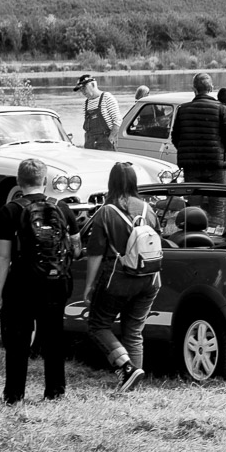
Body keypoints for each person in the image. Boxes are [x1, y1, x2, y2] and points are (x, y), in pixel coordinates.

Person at [0, 159, 77, 403]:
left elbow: (3, 255)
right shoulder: (62, 207)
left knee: (18, 339)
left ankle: (14, 395)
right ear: (45, 181)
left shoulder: (10, 211)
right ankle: (55, 392)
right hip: (56, 283)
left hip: (22, 283)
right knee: (53, 337)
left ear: (19, 181)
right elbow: (77, 246)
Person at [80, 162, 158, 393]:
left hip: (118, 279)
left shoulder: (106, 211)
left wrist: (89, 286)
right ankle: (134, 385)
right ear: (134, 182)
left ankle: (126, 368)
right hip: (150, 280)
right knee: (133, 331)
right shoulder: (148, 209)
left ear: (111, 183)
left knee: (98, 325)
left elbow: (95, 253)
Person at [171, 73, 226, 225]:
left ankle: (194, 233)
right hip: (216, 165)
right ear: (211, 88)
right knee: (217, 205)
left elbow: (175, 137)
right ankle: (216, 235)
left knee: (194, 206)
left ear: (194, 89)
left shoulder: (183, 109)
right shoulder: (221, 109)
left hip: (191, 166)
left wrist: (186, 152)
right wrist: (225, 155)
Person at [76, 74, 122, 151]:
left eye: (84, 88)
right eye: (81, 89)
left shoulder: (107, 98)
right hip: (90, 143)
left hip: (105, 143)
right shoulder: (85, 104)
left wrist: (111, 138)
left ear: (93, 84)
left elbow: (118, 121)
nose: (83, 92)